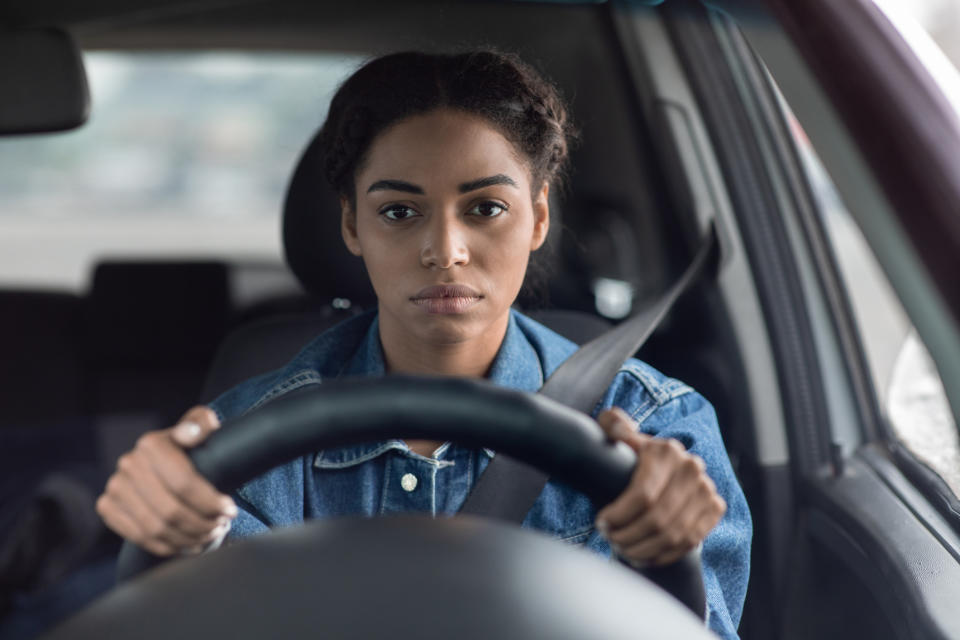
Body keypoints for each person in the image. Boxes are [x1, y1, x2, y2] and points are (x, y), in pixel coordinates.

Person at [96, 50, 751, 638]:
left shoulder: (655, 429)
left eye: (485, 208)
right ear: (352, 224)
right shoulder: (246, 440)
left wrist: (663, 552)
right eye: (399, 212)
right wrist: (176, 530)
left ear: (540, 217)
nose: (446, 251)